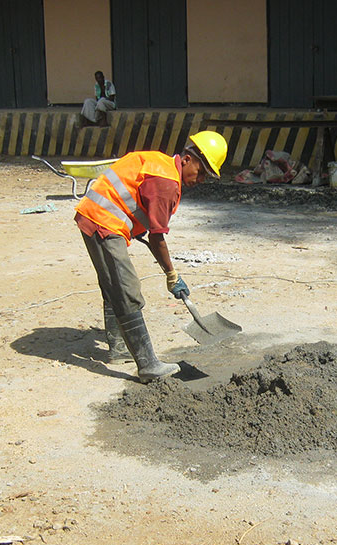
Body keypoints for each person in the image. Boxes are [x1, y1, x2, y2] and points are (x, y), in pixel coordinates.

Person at [73, 131, 228, 382]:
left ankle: (119, 349)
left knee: (113, 284)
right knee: (126, 287)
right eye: (201, 171)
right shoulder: (166, 182)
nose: (200, 179)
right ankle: (147, 365)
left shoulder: (162, 167)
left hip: (97, 215)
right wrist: (172, 274)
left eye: (207, 176)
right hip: (103, 220)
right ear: (187, 159)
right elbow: (157, 238)